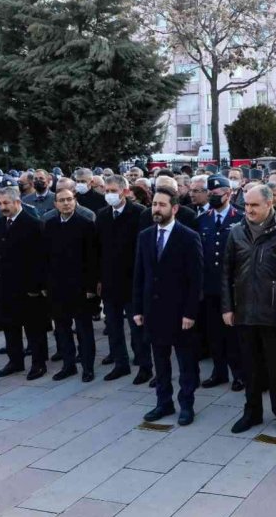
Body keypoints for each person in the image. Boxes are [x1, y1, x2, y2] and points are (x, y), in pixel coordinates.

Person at [223, 185, 276, 437]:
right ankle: (252, 412)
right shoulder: (236, 233)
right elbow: (226, 273)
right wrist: (227, 307)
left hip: (275, 316)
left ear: (269, 204)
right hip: (245, 313)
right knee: (251, 368)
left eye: (254, 205)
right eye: (246, 205)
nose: (249, 210)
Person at [133, 186, 204, 425]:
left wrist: (190, 312)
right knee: (160, 362)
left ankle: (187, 404)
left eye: (162, 205)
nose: (156, 208)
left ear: (174, 208)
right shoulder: (145, 236)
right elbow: (139, 275)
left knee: (185, 363)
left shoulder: (188, 237)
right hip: (153, 312)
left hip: (180, 313)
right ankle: (163, 403)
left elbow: (196, 280)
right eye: (154, 204)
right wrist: (138, 310)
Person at [0, 187, 49, 380]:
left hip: (27, 288)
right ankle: (15, 361)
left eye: (6, 203)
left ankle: (38, 364)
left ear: (17, 202)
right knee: (10, 327)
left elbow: (41, 258)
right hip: (5, 287)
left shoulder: (33, 224)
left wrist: (36, 287)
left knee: (34, 329)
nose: (2, 207)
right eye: (0, 204)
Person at [97, 175, 151, 383]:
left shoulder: (139, 214)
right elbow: (98, 249)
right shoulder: (102, 215)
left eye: (113, 191)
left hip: (132, 281)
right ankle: (121, 364)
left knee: (137, 326)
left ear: (125, 192)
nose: (109, 195)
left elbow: (144, 249)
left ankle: (145, 365)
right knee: (113, 325)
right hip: (110, 280)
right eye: (107, 191)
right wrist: (99, 279)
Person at [44, 187, 99, 382]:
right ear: (56, 204)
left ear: (75, 201)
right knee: (61, 328)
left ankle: (87, 367)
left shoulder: (85, 225)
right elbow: (45, 257)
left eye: (69, 199)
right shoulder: (49, 225)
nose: (66, 203)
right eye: (62, 200)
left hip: (80, 288)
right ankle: (68, 365)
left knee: (84, 330)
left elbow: (93, 259)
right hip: (57, 287)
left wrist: (91, 288)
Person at [197, 175, 245, 391]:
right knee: (214, 332)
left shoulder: (240, 218)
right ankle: (219, 372)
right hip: (210, 286)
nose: (213, 196)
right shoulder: (203, 219)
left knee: (233, 333)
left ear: (228, 193)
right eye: (211, 193)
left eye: (217, 194)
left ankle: (239, 373)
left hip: (233, 287)